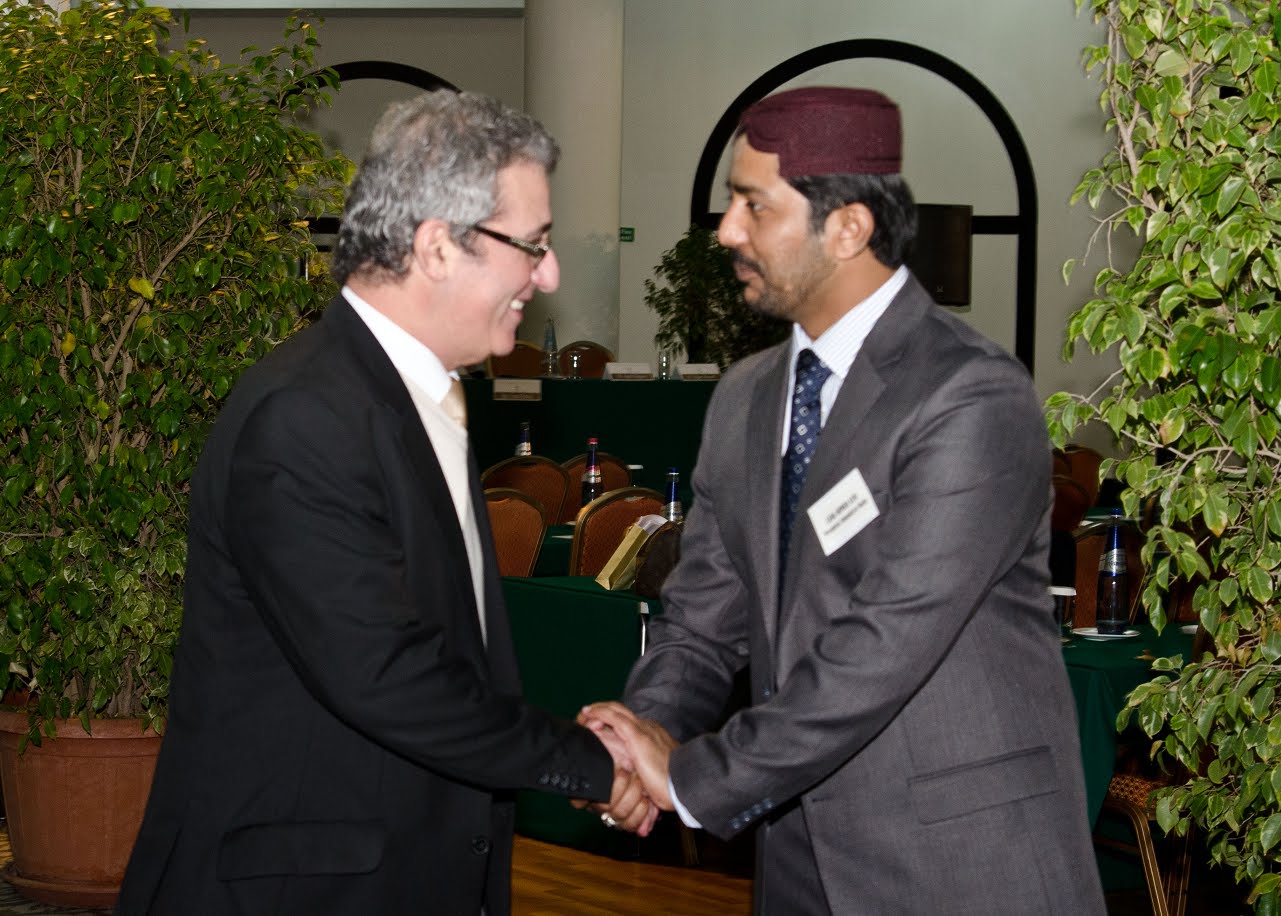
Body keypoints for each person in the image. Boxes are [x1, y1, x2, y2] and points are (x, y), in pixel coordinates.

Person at [118, 90, 652, 915]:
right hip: (299, 889)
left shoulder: (410, 392)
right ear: (436, 246)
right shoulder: (305, 416)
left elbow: (450, 647)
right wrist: (588, 764)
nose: (548, 274)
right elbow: (383, 672)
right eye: (532, 245)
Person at [583, 87, 1106, 915]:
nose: (726, 231)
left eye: (753, 205)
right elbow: (700, 620)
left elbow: (884, 643)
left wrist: (686, 777)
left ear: (849, 228)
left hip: (957, 864)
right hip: (796, 859)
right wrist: (637, 738)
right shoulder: (745, 397)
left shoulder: (971, 395)